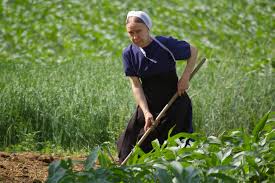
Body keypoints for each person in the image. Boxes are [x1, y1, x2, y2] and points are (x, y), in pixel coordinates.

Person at [117, 10, 198, 164]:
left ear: (148, 28)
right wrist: (146, 112)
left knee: (175, 146)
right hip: (148, 103)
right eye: (131, 33)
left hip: (174, 101)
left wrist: (185, 77)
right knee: (129, 143)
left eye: (138, 31)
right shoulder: (129, 53)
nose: (135, 37)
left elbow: (193, 51)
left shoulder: (165, 45)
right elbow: (136, 86)